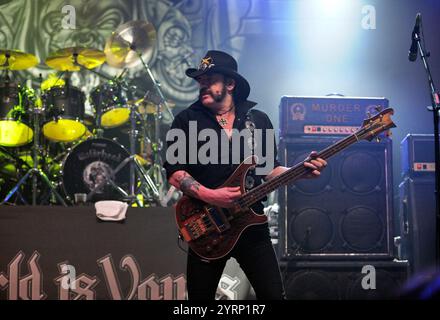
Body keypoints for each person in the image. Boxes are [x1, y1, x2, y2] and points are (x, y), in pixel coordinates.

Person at [164, 50, 327, 300]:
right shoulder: (186, 120)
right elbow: (175, 173)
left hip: (251, 225)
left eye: (210, 79)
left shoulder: (258, 121)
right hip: (207, 225)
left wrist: (299, 172)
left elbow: (269, 171)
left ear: (230, 84)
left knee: (273, 295)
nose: (202, 85)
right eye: (200, 81)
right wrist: (212, 195)